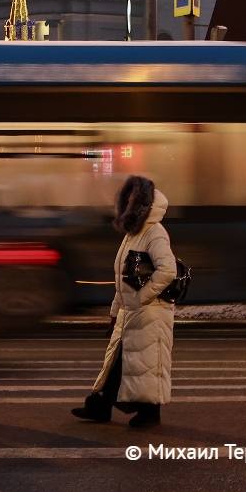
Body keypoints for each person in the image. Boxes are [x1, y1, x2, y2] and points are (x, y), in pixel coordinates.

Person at [72, 175, 177, 428]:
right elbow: (123, 278)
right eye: (126, 198)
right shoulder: (133, 233)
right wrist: (115, 311)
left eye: (133, 199)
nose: (128, 203)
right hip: (131, 312)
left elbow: (168, 270)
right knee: (119, 361)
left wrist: (142, 297)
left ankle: (150, 413)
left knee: (146, 364)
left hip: (149, 312)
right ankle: (100, 405)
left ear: (142, 203)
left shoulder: (154, 232)